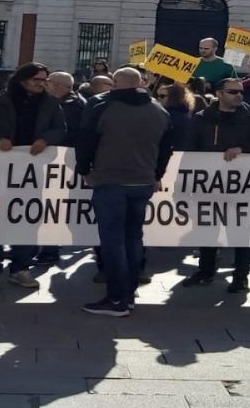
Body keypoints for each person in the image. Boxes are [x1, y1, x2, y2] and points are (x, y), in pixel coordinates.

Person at [73, 67, 174, 317]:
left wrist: (84, 169)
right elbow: (166, 148)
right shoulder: (158, 109)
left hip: (110, 179)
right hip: (142, 182)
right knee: (133, 238)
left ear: (116, 83)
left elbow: (85, 140)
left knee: (112, 241)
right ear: (139, 83)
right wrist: (157, 175)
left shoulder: (101, 106)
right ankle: (127, 296)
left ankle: (117, 298)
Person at [0, 63, 65, 290]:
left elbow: (60, 129)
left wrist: (45, 139)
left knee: (27, 218)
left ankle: (21, 268)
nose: (42, 83)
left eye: (44, 80)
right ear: (22, 79)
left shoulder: (51, 103)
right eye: (37, 79)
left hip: (31, 172)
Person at [181, 78, 250, 293]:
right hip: (207, 185)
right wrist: (183, 183)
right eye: (232, 92)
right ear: (219, 94)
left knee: (239, 234)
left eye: (240, 92)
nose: (239, 95)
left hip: (241, 187)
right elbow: (190, 149)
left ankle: (241, 277)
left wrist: (242, 148)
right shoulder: (202, 118)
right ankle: (205, 271)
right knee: (207, 232)